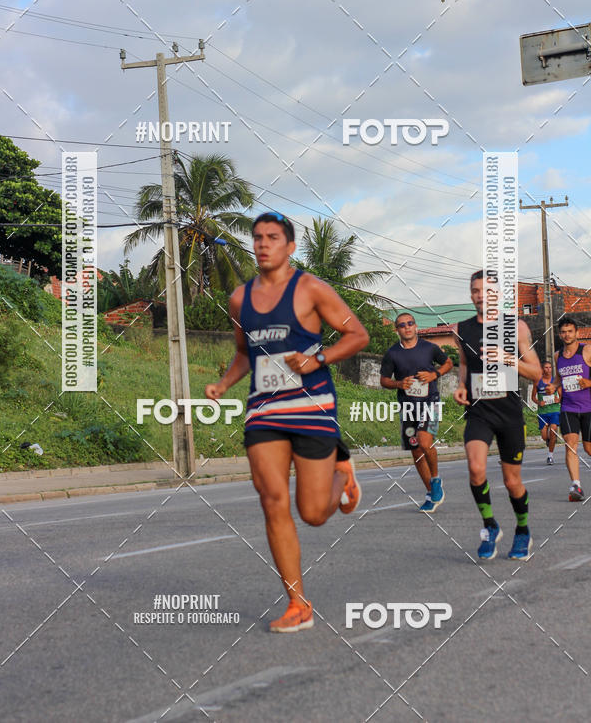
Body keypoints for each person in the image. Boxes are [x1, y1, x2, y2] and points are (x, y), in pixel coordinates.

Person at [205, 212, 369, 633]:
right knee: (272, 500)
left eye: (272, 238)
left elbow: (358, 335)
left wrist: (319, 358)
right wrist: (224, 383)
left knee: (313, 513)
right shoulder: (240, 298)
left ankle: (342, 476)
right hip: (264, 411)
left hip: (312, 407)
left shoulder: (311, 288)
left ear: (290, 246)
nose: (262, 244)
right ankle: (298, 603)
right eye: (257, 238)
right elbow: (245, 352)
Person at [454, 271, 542, 561]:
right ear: (471, 295)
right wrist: (460, 386)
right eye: (476, 290)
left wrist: (507, 359)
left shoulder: (515, 327)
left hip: (508, 413)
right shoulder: (461, 329)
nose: (481, 295)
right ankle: (490, 526)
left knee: (511, 481)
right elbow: (464, 364)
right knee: (476, 469)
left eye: (487, 290)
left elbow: (536, 372)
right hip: (479, 411)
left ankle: (522, 530)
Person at [380, 313, 453, 512]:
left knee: (424, 441)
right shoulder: (392, 354)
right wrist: (398, 383)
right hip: (408, 406)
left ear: (416, 326)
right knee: (416, 451)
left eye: (410, 323)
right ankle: (431, 493)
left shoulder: (429, 348)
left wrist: (434, 374)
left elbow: (448, 363)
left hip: (431, 402)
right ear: (397, 330)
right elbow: (384, 380)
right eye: (402, 325)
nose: (407, 327)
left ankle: (436, 479)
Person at [553, 317, 591, 501]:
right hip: (568, 407)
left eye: (570, 331)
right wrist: (553, 386)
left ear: (576, 333)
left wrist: (588, 382)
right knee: (570, 446)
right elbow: (558, 379)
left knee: (589, 448)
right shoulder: (557, 355)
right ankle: (576, 485)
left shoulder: (587, 350)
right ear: (560, 334)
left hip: (589, 407)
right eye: (563, 332)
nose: (566, 335)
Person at [531, 361, 561, 465]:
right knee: (544, 437)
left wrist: (558, 399)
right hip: (543, 412)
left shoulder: (555, 381)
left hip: (554, 411)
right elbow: (533, 397)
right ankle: (550, 440)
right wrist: (539, 402)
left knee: (553, 431)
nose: (548, 369)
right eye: (546, 367)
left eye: (549, 367)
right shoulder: (538, 382)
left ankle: (550, 456)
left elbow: (561, 396)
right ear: (542, 369)